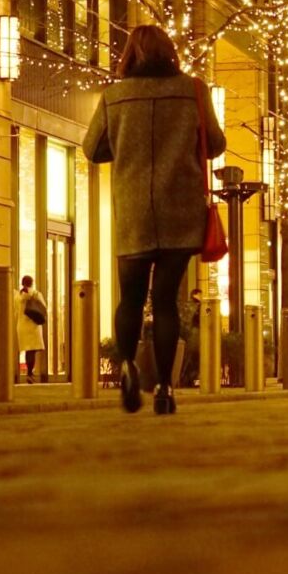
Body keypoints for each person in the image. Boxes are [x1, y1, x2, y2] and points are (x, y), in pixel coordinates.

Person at [83, 24, 227, 416]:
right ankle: (164, 386)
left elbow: (92, 149)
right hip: (178, 209)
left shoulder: (115, 95)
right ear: (170, 51)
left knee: (129, 297)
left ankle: (128, 365)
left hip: (133, 209)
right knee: (165, 301)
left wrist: (127, 143)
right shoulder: (193, 90)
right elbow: (214, 143)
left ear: (131, 54)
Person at [16, 276, 47, 384]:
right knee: (32, 350)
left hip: (22, 325)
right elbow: (44, 307)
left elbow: (15, 310)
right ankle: (29, 373)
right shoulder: (36, 294)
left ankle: (29, 373)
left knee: (28, 350)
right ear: (32, 283)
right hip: (33, 325)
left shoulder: (18, 296)